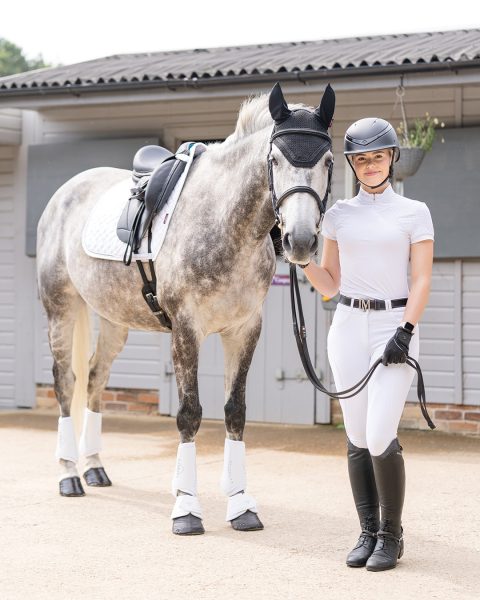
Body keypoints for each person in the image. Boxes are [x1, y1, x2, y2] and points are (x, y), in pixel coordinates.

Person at [303, 117, 434, 571]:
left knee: (381, 433)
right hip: (348, 326)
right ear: (353, 165)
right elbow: (330, 283)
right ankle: (366, 531)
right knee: (357, 436)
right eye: (361, 159)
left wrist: (406, 329)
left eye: (377, 157)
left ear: (392, 158)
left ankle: (391, 535)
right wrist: (301, 259)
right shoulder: (338, 215)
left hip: (394, 328)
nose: (370, 165)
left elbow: (421, 279)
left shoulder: (414, 212)